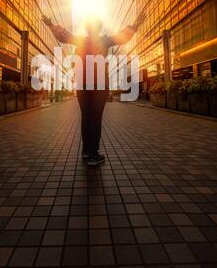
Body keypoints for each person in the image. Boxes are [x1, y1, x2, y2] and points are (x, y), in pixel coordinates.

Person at [43, 12, 146, 166]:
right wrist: (136, 24)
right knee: (95, 118)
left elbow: (63, 35)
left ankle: (86, 151)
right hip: (98, 84)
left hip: (83, 84)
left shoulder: (80, 40)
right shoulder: (105, 40)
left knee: (86, 117)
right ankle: (93, 154)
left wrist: (51, 25)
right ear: (99, 28)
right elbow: (122, 36)